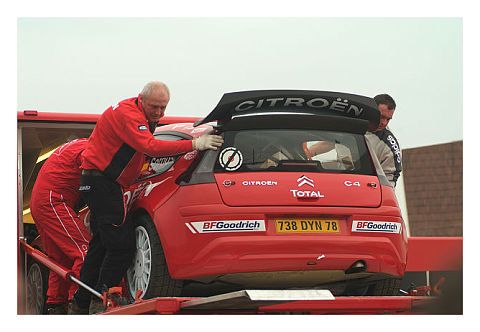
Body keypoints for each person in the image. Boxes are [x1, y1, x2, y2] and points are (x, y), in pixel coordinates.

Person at [69, 81, 224, 314]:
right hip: (103, 183)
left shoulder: (132, 111)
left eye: (163, 107)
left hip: (97, 182)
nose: (159, 113)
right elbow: (150, 147)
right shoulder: (129, 115)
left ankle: (82, 301)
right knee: (121, 245)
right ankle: (103, 299)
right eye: (155, 107)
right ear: (141, 99)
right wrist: (195, 142)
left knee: (101, 244)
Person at [30, 138, 91, 314]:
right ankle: (78, 302)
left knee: (60, 258)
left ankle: (56, 305)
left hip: (42, 201)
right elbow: (92, 166)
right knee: (85, 250)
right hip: (53, 200)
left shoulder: (76, 144)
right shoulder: (88, 147)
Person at [365, 93, 402, 187]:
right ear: (371, 110)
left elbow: (389, 184)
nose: (384, 122)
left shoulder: (390, 147)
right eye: (381, 117)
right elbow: (330, 143)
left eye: (388, 119)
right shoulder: (352, 124)